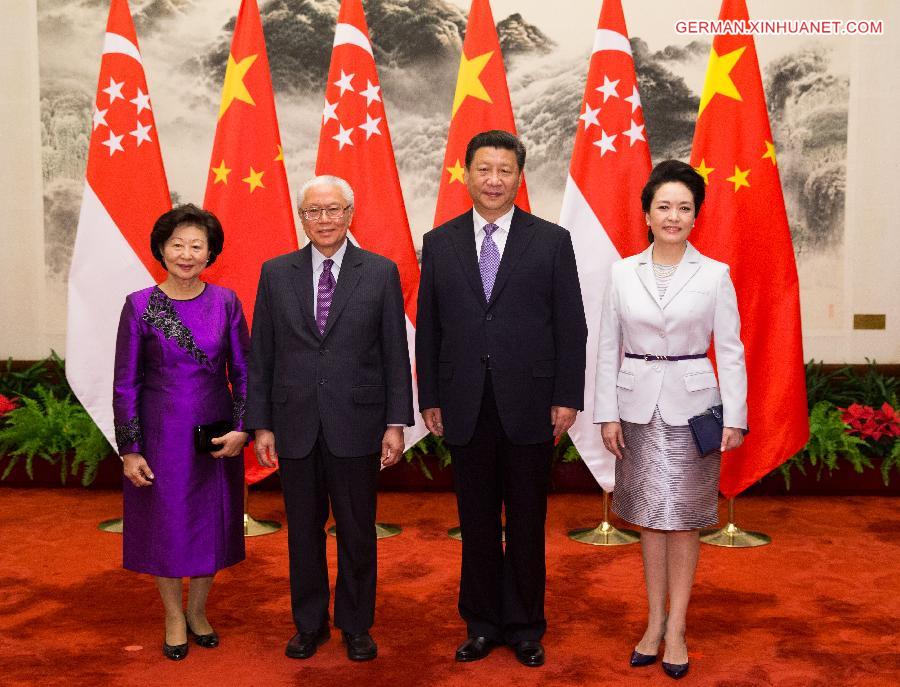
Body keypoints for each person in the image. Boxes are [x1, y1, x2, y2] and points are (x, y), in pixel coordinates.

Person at [416, 130, 587, 667]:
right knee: (478, 523)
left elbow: (571, 326)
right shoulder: (439, 242)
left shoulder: (551, 240)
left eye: (504, 170)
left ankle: (526, 625)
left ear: (520, 176)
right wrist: (432, 397)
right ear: (466, 174)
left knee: (529, 519)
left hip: (531, 403)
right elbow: (430, 328)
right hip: (465, 403)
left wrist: (567, 395)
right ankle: (482, 623)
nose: (494, 180)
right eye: (484, 169)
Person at [245, 175, 413, 663]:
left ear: (350, 214)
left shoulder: (379, 272)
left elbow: (394, 354)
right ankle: (310, 624)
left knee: (358, 531)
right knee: (302, 532)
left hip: (358, 424)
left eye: (333, 210)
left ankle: (356, 626)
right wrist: (262, 424)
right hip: (293, 425)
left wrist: (395, 422)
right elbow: (263, 354)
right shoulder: (276, 273)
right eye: (313, 211)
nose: (324, 220)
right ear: (302, 217)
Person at [594, 159, 748, 680]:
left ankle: (678, 625)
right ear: (647, 214)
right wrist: (607, 413)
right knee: (649, 520)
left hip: (694, 409)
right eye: (664, 206)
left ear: (696, 216)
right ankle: (652, 621)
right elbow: (607, 347)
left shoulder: (715, 275)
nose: (674, 216)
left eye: (684, 207)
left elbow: (730, 350)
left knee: (683, 521)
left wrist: (736, 416)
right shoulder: (621, 272)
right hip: (636, 407)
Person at [113, 204, 250, 661]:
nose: (186, 254)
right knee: (167, 527)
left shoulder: (226, 302)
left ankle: (198, 610)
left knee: (210, 525)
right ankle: (173, 615)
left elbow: (245, 372)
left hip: (214, 435)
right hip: (160, 435)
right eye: (177, 244)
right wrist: (130, 449)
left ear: (211, 253)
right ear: (161, 249)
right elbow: (125, 382)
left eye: (197, 245)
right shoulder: (139, 305)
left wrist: (242, 429)